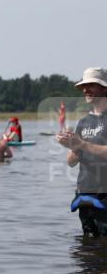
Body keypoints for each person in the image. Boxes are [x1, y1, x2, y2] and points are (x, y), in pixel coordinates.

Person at [57, 67, 107, 235]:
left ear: (104, 88)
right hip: (84, 194)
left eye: (91, 85)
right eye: (84, 86)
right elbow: (71, 162)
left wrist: (83, 144)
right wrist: (71, 145)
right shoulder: (83, 121)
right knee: (87, 248)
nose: (85, 90)